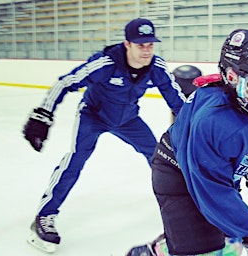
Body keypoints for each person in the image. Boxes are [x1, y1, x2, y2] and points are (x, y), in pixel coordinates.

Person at [22, 17, 186, 253]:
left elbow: (178, 102)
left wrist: (194, 126)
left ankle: (188, 206)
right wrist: (43, 115)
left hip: (128, 119)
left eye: (150, 44)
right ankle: (45, 216)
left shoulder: (156, 67)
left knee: (161, 157)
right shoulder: (105, 63)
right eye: (141, 45)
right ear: (127, 44)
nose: (146, 50)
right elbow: (65, 82)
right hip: (93, 116)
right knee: (75, 161)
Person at [126, 29, 248, 256]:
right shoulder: (214, 121)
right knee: (203, 248)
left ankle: (175, 238)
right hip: (176, 172)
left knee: (226, 243)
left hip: (215, 167)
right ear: (234, 78)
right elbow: (214, 191)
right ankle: (155, 251)